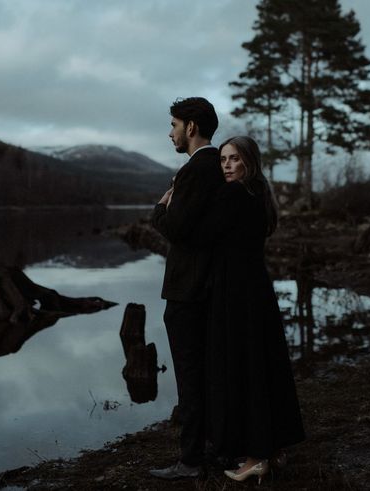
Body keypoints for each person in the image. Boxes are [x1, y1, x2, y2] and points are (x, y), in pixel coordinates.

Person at [194, 136, 305, 484]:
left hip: (235, 292)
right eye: (223, 160)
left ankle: (256, 457)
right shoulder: (259, 194)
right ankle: (272, 447)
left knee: (245, 368)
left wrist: (170, 205)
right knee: (264, 365)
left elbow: (202, 234)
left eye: (233, 159)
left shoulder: (232, 194)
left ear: (248, 163)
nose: (226, 165)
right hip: (257, 287)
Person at [148, 97, 225, 480]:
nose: (171, 132)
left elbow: (176, 228)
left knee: (190, 376)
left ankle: (192, 460)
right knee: (205, 374)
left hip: (188, 290)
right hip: (205, 287)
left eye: (175, 125)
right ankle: (210, 447)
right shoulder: (216, 166)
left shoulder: (199, 168)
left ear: (191, 127)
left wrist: (159, 208)